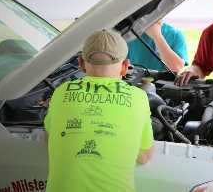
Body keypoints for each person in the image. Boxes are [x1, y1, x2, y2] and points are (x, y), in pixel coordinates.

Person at [44, 29, 153, 192]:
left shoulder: (60, 92)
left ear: (81, 63)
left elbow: (49, 138)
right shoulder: (139, 98)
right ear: (125, 66)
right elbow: (144, 157)